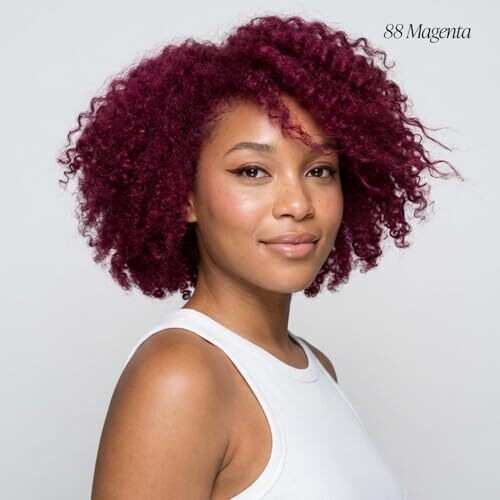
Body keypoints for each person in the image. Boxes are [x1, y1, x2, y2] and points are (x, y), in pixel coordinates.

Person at [57, 14, 461, 499]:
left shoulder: (316, 367)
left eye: (319, 170)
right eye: (252, 171)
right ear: (183, 195)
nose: (297, 204)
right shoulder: (180, 377)